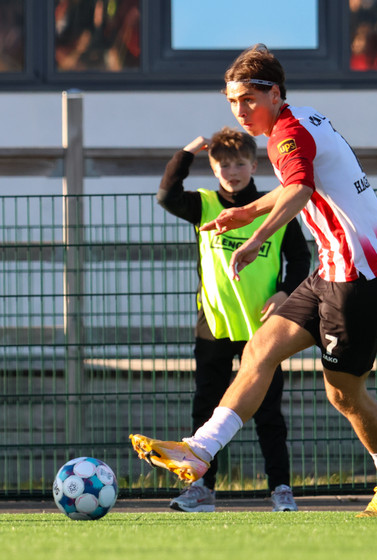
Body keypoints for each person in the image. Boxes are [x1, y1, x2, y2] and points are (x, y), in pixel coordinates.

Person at [131, 44, 377, 518]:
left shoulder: (287, 133)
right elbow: (296, 185)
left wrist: (254, 238)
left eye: (248, 99)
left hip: (359, 282)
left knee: (344, 394)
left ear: (275, 94)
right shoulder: (300, 120)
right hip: (330, 273)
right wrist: (247, 210)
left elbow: (300, 189)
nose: (240, 110)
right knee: (259, 349)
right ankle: (199, 450)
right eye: (232, 101)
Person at [154, 127, 311, 512]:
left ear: (254, 165)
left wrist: (284, 292)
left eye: (240, 163)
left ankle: (281, 488)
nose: (232, 171)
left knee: (268, 412)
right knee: (207, 407)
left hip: (264, 328)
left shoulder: (276, 206)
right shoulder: (204, 205)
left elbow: (301, 259)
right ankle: (202, 488)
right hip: (215, 326)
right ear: (213, 168)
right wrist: (189, 150)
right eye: (223, 165)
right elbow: (166, 195)